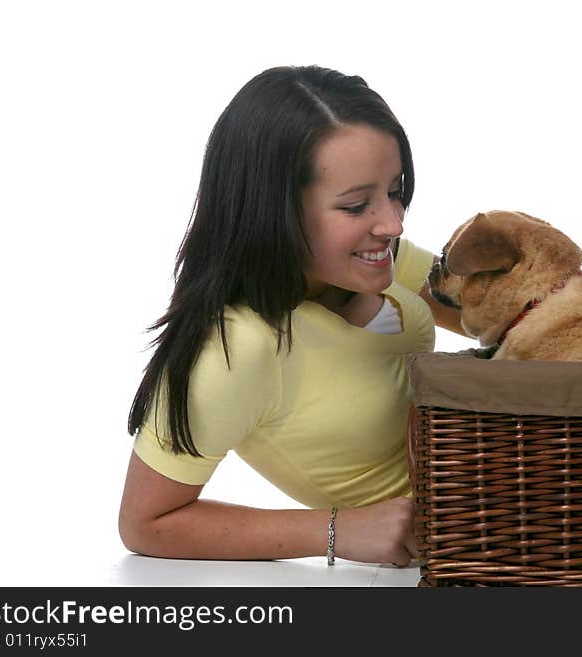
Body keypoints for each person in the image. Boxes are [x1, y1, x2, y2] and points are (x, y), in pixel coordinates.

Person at [119, 65, 467, 568]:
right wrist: (335, 530)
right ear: (272, 211)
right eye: (355, 206)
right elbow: (145, 522)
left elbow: (506, 320)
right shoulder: (236, 348)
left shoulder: (372, 258)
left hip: (535, 482)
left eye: (395, 189)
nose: (393, 223)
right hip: (472, 550)